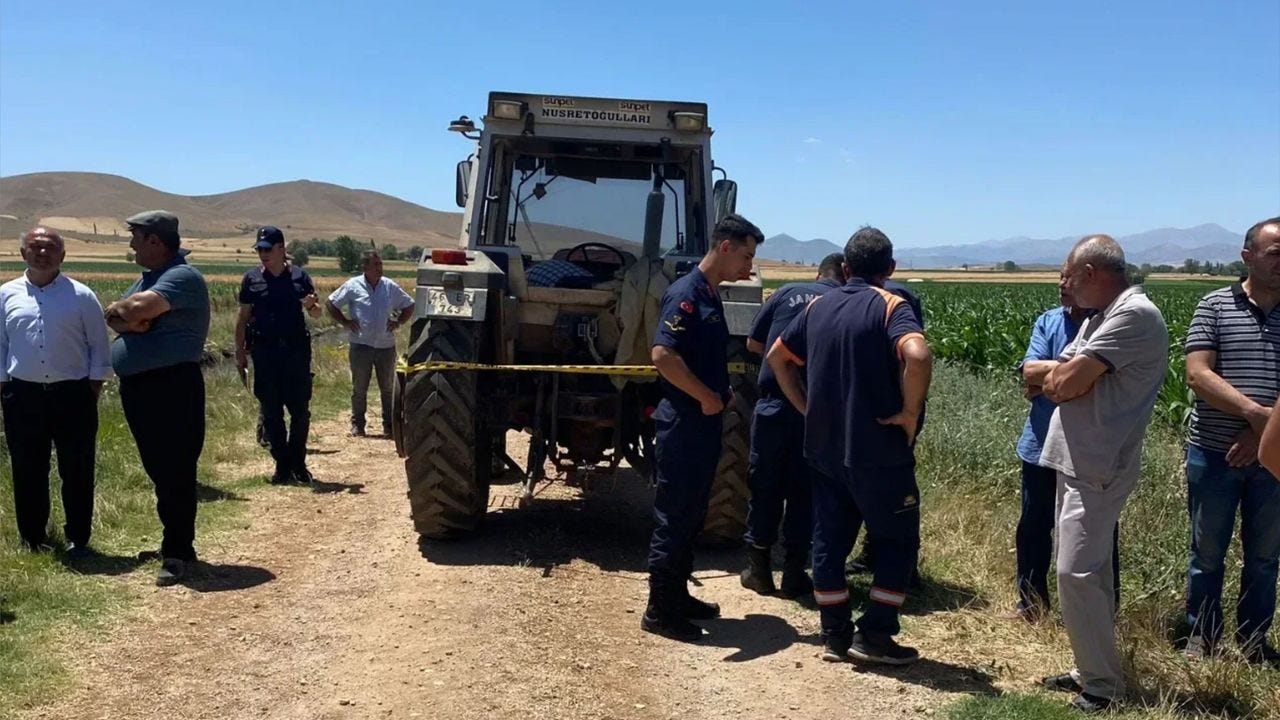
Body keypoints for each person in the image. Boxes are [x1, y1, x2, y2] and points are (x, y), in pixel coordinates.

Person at [768, 226, 932, 665]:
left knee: (829, 541)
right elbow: (917, 355)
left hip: (823, 448)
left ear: (844, 268)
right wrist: (910, 413)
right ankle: (875, 635)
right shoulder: (891, 306)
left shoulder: (818, 307)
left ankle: (835, 634)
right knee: (897, 541)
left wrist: (804, 406)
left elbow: (777, 358)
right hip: (878, 451)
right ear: (891, 269)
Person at [1038, 235, 1168, 713]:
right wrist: (1063, 376)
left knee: (1076, 572)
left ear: (1091, 273)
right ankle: (1089, 667)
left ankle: (1103, 687)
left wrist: (1062, 376)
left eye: (1069, 277)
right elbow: (1058, 378)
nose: (1065, 287)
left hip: (1098, 463)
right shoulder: (1099, 316)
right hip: (1079, 459)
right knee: (1089, 572)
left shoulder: (1132, 315)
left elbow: (1061, 381)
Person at [642, 213, 764, 642]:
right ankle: (660, 610)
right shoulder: (687, 295)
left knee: (693, 512)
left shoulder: (710, 293)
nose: (749, 266)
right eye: (746, 255)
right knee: (675, 516)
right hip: (685, 423)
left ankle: (678, 596)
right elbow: (663, 355)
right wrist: (706, 396)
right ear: (725, 247)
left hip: (702, 424)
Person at [1182, 216, 1280, 666]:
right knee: (1206, 554)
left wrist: (1259, 432)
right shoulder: (1214, 306)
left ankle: (1254, 643)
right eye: (1274, 252)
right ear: (1248, 257)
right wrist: (1256, 414)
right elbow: (1198, 375)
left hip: (1273, 458)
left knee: (1264, 557)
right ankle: (1202, 637)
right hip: (1213, 453)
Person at [105, 211, 211, 587]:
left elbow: (129, 311)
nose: (131, 244)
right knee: (159, 468)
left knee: (176, 469)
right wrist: (128, 318)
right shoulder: (150, 279)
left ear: (155, 241)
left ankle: (178, 551)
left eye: (136, 237)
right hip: (143, 387)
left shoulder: (181, 277)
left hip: (172, 386)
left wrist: (130, 317)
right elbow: (116, 316)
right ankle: (175, 541)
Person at [1010, 278, 1120, 621]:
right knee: (1033, 526)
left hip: (1088, 448)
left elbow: (1110, 382)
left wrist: (1048, 379)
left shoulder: (1110, 324)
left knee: (1097, 534)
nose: (1063, 285)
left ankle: (1100, 613)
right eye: (1060, 278)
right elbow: (1028, 370)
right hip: (1040, 443)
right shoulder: (1049, 320)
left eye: (1071, 279)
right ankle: (1031, 605)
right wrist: (1083, 375)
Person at [739, 252, 845, 598]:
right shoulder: (842, 303)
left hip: (772, 406)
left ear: (817, 273)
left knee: (764, 485)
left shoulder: (785, 293)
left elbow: (753, 344)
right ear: (844, 275)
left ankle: (759, 571)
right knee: (805, 491)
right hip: (815, 412)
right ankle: (794, 574)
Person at [0, 227, 110, 554]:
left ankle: (79, 538)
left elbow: (99, 349)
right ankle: (33, 538)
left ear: (62, 255)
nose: (42, 253)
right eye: (35, 247)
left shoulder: (82, 296)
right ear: (23, 253)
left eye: (50, 248)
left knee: (76, 468)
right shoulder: (6, 294)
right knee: (26, 468)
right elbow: (1, 346)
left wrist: (92, 390)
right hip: (23, 395)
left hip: (73, 394)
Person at [236, 226, 323, 486]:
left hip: (295, 352)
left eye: (267, 249)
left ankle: (298, 463)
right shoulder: (251, 280)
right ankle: (282, 465)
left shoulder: (300, 277)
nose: (262, 254)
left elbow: (317, 314)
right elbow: (241, 319)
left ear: (281, 249)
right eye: (259, 249)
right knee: (271, 412)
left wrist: (311, 306)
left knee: (300, 411)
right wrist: (239, 352)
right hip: (264, 353)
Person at [326, 250, 415, 437]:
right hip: (361, 344)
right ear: (365, 267)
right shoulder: (353, 285)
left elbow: (409, 304)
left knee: (387, 388)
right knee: (359, 388)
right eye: (375, 265)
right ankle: (358, 425)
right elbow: (331, 303)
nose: (379, 268)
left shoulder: (389, 286)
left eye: (380, 264)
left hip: (385, 345)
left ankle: (389, 426)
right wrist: (346, 322)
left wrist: (398, 322)